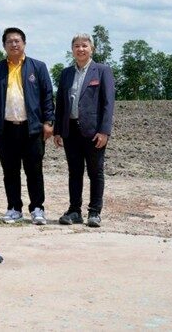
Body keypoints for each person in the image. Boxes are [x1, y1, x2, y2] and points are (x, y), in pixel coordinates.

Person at [0, 27, 54, 225]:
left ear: (24, 43)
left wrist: (48, 121)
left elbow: (47, 95)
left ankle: (37, 209)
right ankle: (14, 208)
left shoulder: (38, 67)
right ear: (4, 45)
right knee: (10, 171)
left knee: (34, 171)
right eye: (9, 41)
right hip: (6, 129)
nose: (14, 44)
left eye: (17, 41)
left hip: (32, 129)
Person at [54, 33, 115, 228]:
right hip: (70, 130)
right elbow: (60, 103)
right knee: (74, 172)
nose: (80, 49)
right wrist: (58, 130)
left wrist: (104, 131)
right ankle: (74, 211)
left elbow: (108, 103)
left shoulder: (102, 71)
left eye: (84, 46)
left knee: (96, 172)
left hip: (93, 131)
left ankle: (94, 212)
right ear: (72, 50)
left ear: (92, 49)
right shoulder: (66, 73)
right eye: (77, 46)